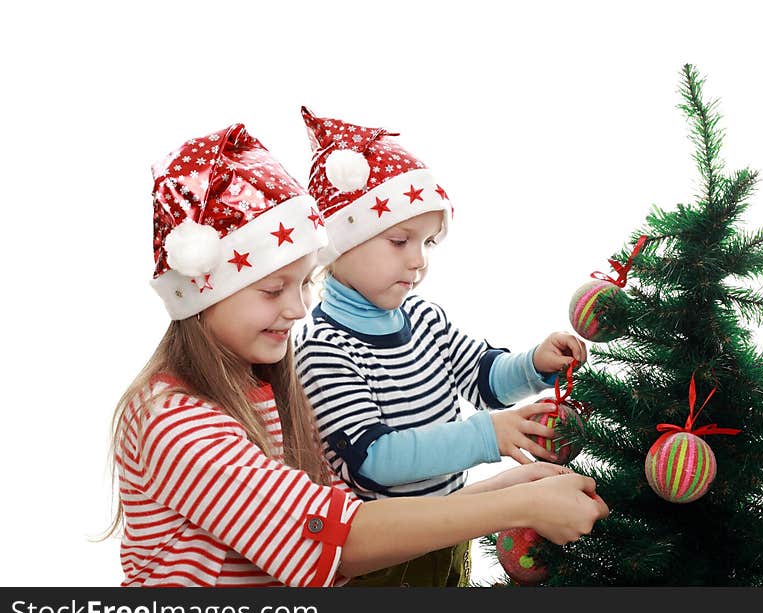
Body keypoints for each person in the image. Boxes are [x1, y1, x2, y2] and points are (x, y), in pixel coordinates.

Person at [108, 123, 608, 587]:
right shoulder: (172, 420)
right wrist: (517, 504)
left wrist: (506, 492)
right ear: (203, 293)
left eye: (303, 283)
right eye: (273, 289)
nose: (300, 308)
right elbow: (335, 542)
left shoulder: (257, 387)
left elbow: (337, 518)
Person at [294, 107, 591, 586]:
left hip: (450, 535)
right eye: (399, 240)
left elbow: (485, 377)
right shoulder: (322, 350)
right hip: (384, 561)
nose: (418, 260)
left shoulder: (425, 318)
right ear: (339, 243)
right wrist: (485, 436)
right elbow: (375, 461)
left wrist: (535, 364)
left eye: (429, 243)